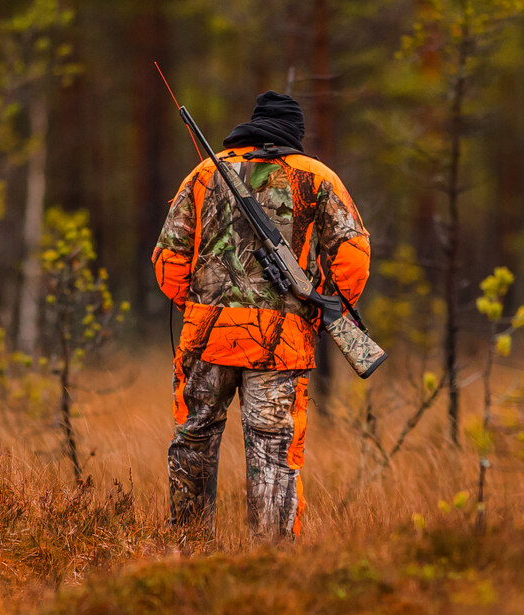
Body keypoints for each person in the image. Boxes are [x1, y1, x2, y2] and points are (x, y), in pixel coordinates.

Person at [152, 91, 371, 538]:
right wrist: (315, 306)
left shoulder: (203, 174)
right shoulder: (318, 177)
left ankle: (186, 553)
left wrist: (194, 307)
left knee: (194, 443)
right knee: (273, 451)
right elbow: (352, 257)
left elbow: (167, 260)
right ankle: (270, 564)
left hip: (205, 340)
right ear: (295, 134)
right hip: (280, 347)